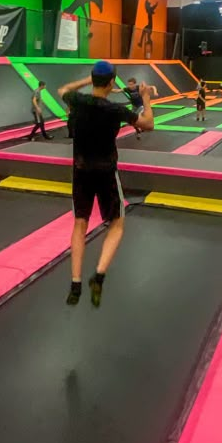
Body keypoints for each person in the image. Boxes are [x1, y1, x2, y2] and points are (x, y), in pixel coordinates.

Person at [59, 61, 154, 308]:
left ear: (93, 79)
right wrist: (145, 98)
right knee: (117, 225)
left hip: (81, 171)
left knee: (80, 224)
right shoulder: (115, 110)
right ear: (112, 83)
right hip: (106, 173)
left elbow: (63, 89)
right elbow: (148, 124)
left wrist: (87, 82)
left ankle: (76, 283)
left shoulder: (76, 101)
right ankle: (99, 275)